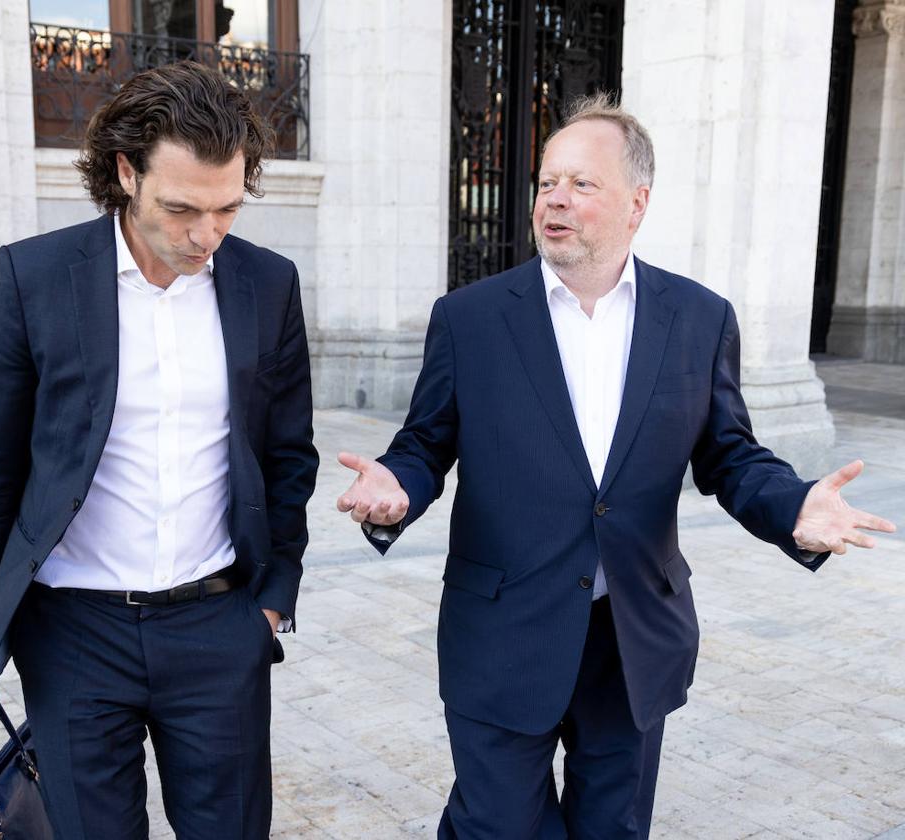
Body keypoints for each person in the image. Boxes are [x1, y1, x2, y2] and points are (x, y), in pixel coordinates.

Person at [336, 94, 896, 839]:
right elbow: (425, 444)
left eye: (581, 184)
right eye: (546, 183)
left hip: (632, 634)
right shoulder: (469, 318)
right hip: (504, 630)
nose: (555, 200)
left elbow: (729, 454)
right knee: (494, 826)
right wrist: (396, 486)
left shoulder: (699, 318)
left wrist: (792, 505)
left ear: (637, 202)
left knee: (613, 830)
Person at [0, 61, 318, 840]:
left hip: (218, 627)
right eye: (182, 209)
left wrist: (273, 598)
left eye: (225, 209)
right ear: (126, 172)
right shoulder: (35, 278)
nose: (206, 234)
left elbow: (288, 454)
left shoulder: (268, 284)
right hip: (73, 633)